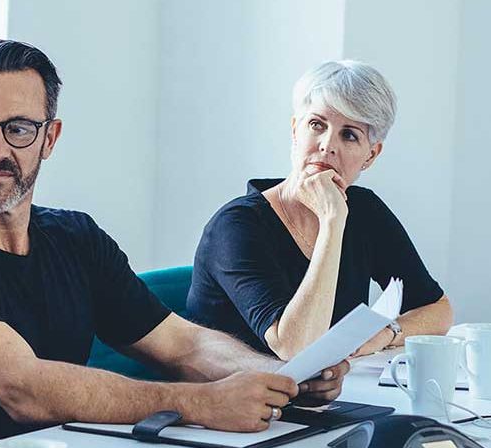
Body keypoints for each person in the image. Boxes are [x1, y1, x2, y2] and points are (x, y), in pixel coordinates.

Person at [0, 40, 346, 448]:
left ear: (49, 139)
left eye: (19, 129)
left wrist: (284, 377)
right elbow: (21, 388)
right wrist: (198, 403)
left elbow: (183, 344)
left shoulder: (75, 238)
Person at [186, 60, 452, 360]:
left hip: (330, 386)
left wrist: (386, 332)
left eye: (349, 135)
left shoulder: (365, 210)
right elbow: (294, 347)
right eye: (317, 125)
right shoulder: (235, 226)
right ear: (295, 131)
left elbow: (438, 309)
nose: (327, 145)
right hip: (239, 389)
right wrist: (332, 221)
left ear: (370, 156)